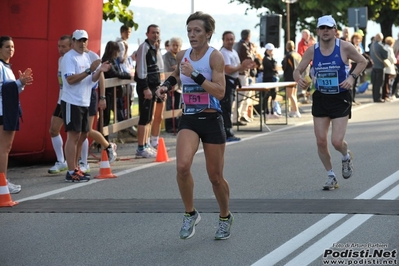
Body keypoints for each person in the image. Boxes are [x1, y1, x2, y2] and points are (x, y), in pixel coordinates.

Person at [155, 11, 233, 240]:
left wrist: (197, 75)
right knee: (182, 167)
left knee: (215, 177)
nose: (192, 35)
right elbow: (177, 76)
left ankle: (225, 217)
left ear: (208, 33)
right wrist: (165, 86)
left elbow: (220, 92)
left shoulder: (214, 57)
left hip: (211, 119)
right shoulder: (183, 56)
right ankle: (190, 213)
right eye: (189, 30)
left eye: (197, 30)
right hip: (189, 118)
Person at [293, 15, 367, 191]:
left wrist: (352, 77)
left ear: (335, 30)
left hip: (340, 97)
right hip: (320, 97)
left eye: (329, 28)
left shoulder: (345, 47)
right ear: (318, 31)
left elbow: (362, 61)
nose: (325, 31)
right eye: (322, 28)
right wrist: (298, 78)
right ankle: (331, 176)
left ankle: (345, 155)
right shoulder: (312, 50)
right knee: (320, 141)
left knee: (336, 141)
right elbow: (298, 69)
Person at [60, 29, 110, 182]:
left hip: (84, 101)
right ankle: (70, 171)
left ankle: (75, 168)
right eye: (79, 40)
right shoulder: (69, 58)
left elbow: (91, 80)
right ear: (73, 42)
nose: (82, 43)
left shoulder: (86, 57)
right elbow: (70, 79)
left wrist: (98, 70)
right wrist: (90, 70)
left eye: (84, 40)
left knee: (82, 136)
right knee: (73, 136)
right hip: (71, 101)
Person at [0, 36, 33, 193]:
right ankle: (2, 183)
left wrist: (21, 83)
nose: (11, 49)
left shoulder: (7, 67)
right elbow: (4, 90)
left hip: (7, 110)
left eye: (12, 47)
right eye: (7, 46)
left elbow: (12, 90)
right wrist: (18, 83)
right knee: (4, 148)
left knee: (5, 147)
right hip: (3, 111)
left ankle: (3, 180)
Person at [134, 24, 162, 158]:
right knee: (144, 117)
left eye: (157, 33)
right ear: (147, 34)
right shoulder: (144, 48)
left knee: (149, 117)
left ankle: (146, 144)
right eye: (153, 33)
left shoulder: (154, 48)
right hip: (146, 87)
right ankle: (140, 147)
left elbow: (158, 67)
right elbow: (141, 70)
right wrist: (145, 88)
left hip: (154, 86)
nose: (155, 35)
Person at [220, 31, 252, 142]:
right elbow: (227, 69)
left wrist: (246, 66)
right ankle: (227, 132)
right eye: (227, 39)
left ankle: (228, 131)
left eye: (231, 39)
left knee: (230, 106)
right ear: (223, 40)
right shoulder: (223, 53)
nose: (230, 42)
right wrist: (240, 67)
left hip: (233, 80)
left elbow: (239, 68)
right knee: (226, 107)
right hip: (226, 80)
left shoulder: (233, 51)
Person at [48, 35, 72, 174]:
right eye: (59, 46)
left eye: (64, 46)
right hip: (61, 100)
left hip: (73, 101)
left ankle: (82, 162)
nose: (61, 49)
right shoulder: (60, 60)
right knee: (53, 130)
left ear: (71, 46)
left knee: (76, 133)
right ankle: (61, 161)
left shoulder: (74, 59)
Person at [233, 29, 255, 125]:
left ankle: (242, 114)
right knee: (242, 96)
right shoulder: (243, 46)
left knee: (245, 96)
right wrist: (252, 51)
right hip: (242, 74)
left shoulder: (238, 45)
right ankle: (237, 117)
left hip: (241, 73)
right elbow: (250, 59)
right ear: (248, 37)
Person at [163, 37, 183, 133]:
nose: (175, 47)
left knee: (178, 106)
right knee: (169, 106)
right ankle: (170, 126)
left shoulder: (180, 56)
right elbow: (167, 69)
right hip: (170, 84)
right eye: (173, 45)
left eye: (177, 45)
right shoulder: (166, 56)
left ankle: (177, 125)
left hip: (179, 86)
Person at [149, 38, 165, 149]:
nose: (157, 44)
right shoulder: (148, 52)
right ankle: (147, 142)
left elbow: (162, 71)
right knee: (151, 116)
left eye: (159, 41)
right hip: (152, 86)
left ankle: (155, 140)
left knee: (159, 116)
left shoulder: (159, 53)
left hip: (161, 86)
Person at [282, 40, 302, 118]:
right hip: (297, 76)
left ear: (286, 47)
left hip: (289, 77)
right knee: (294, 94)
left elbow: (285, 67)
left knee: (290, 95)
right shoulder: (297, 55)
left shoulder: (288, 56)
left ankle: (296, 110)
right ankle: (293, 110)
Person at [262, 43, 279, 119]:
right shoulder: (266, 59)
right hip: (267, 79)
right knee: (266, 96)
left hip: (272, 78)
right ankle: (266, 111)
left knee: (273, 95)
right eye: (270, 50)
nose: (271, 51)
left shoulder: (271, 59)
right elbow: (273, 67)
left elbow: (275, 67)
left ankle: (272, 111)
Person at [370, 33, 388, 102]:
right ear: (381, 38)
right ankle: (378, 97)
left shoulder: (372, 45)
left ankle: (374, 97)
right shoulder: (380, 45)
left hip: (374, 67)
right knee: (379, 83)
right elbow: (386, 55)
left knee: (374, 83)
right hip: (380, 66)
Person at [382, 36, 397, 101]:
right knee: (388, 82)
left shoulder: (384, 47)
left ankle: (384, 95)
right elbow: (392, 59)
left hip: (385, 67)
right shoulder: (389, 49)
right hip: (389, 67)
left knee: (385, 82)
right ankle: (387, 95)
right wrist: (396, 60)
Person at [392, 33, 399, 98]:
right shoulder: (396, 42)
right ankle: (394, 93)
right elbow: (394, 51)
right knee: (396, 79)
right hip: (397, 63)